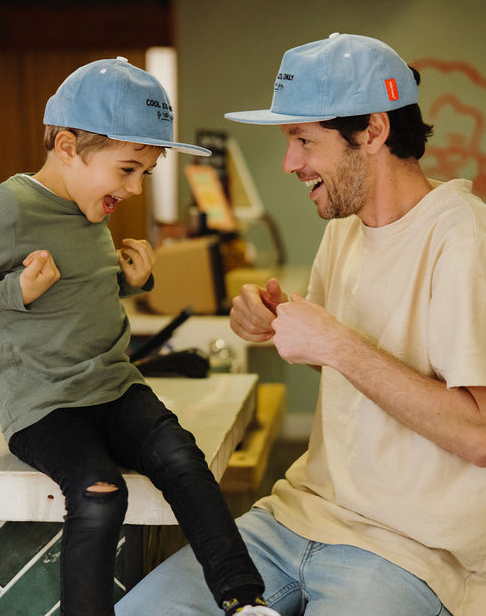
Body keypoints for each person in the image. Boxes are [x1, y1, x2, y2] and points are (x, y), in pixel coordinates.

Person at [115, 33, 486, 615]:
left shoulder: (462, 235)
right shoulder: (345, 225)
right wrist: (276, 319)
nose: (290, 163)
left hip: (412, 550)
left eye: (303, 140)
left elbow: (479, 434)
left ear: (373, 131)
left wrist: (337, 345)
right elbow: (345, 351)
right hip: (297, 516)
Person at [0, 57, 280, 616]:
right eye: (127, 169)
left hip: (115, 385)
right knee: (101, 495)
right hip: (43, 405)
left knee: (182, 459)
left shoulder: (90, 204)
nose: (134, 189)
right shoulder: (8, 209)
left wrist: (135, 282)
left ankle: (245, 601)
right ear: (66, 148)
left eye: (145, 174)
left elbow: (77, 299)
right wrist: (13, 294)